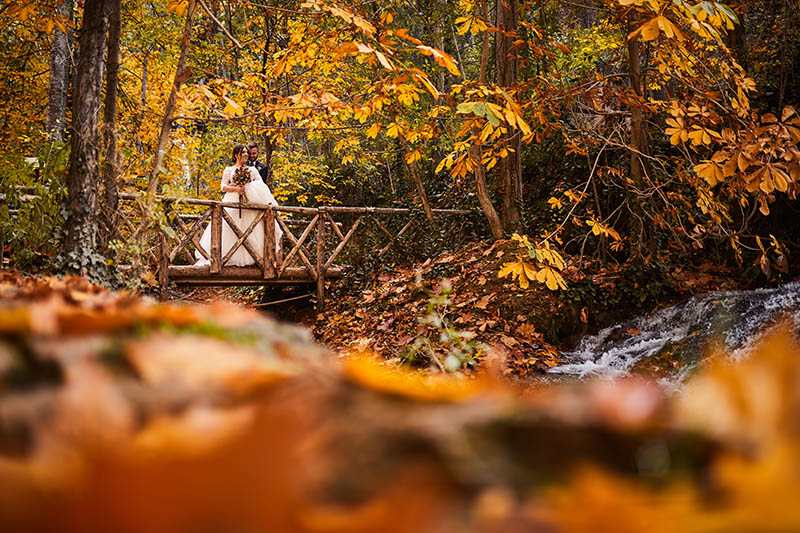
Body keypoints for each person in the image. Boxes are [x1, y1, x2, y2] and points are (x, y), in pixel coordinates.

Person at [195, 144, 282, 267]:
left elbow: (262, 185)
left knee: (250, 229)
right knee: (230, 228)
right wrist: (236, 188)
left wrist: (248, 187)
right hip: (232, 202)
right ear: (236, 155)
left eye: (247, 152)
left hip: (248, 203)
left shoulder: (252, 170)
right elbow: (223, 186)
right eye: (243, 152)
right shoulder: (229, 169)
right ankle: (224, 258)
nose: (246, 155)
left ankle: (254, 259)